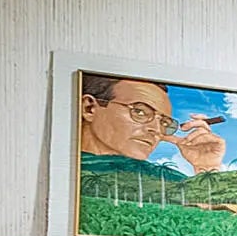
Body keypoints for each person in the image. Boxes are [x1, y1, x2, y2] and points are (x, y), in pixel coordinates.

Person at [78, 72, 224, 175]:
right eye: (140, 112)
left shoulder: (162, 178)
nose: (156, 130)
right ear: (89, 108)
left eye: (164, 123)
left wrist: (206, 166)